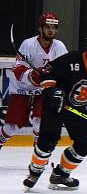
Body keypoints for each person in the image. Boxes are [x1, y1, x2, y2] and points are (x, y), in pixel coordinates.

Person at [22, 31, 87, 191]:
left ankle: (61, 174)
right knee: (48, 139)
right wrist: (51, 91)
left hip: (76, 108)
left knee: (85, 144)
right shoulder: (72, 59)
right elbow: (47, 73)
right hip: (56, 104)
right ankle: (34, 172)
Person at [0, 12, 68, 151]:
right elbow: (18, 70)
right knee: (12, 127)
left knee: (40, 122)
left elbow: (65, 69)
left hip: (44, 90)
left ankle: (38, 152)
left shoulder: (59, 46)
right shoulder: (28, 44)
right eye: (47, 26)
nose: (51, 30)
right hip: (22, 88)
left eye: (54, 27)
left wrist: (52, 79)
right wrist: (33, 76)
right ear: (40, 28)